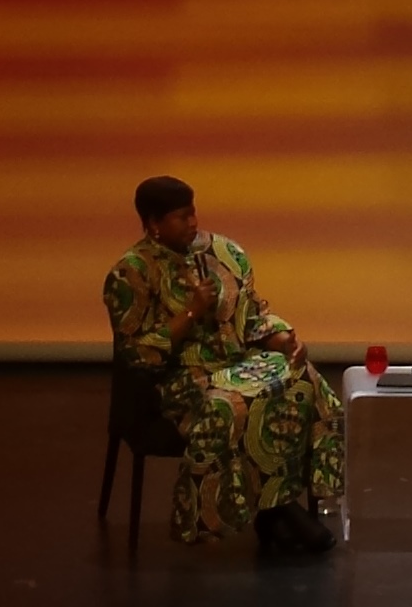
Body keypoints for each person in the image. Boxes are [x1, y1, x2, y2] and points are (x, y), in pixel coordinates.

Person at [102, 175, 343, 553]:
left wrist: (284, 341)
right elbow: (137, 353)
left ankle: (277, 506)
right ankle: (271, 513)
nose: (193, 223)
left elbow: (252, 318)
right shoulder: (130, 273)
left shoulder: (224, 253)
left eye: (193, 213)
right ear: (153, 223)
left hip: (238, 363)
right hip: (178, 379)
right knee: (231, 405)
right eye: (181, 217)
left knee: (303, 380)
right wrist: (191, 312)